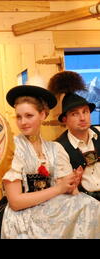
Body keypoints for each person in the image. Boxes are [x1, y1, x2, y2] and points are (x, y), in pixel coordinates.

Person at [0, 85, 100, 238]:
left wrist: (72, 182)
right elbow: (15, 202)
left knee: (90, 205)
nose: (23, 122)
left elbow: (68, 191)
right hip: (24, 217)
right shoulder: (12, 150)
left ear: (42, 115)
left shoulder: (54, 148)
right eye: (19, 117)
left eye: (29, 115)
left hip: (51, 211)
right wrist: (58, 189)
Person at [48, 71, 100, 201]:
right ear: (65, 119)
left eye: (85, 112)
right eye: (75, 114)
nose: (82, 118)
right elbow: (71, 191)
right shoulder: (59, 147)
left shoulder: (99, 133)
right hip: (84, 202)